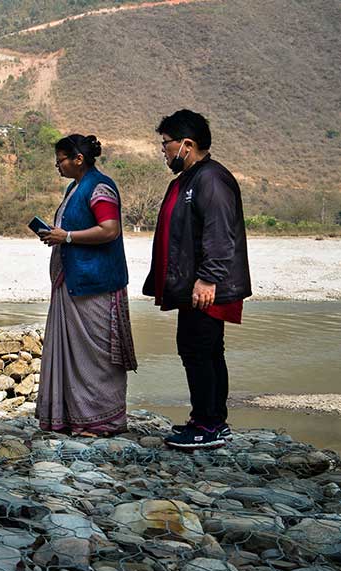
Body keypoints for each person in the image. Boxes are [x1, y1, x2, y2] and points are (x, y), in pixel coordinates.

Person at [146, 110, 251, 450]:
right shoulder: (188, 179)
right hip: (192, 285)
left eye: (166, 144)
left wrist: (208, 279)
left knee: (200, 350)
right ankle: (209, 419)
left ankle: (208, 425)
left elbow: (220, 234)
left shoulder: (211, 179)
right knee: (201, 349)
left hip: (205, 286)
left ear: (187, 145)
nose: (163, 151)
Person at [36, 134, 137, 437]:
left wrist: (66, 237)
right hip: (75, 281)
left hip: (95, 283)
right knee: (78, 354)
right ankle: (77, 417)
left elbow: (109, 229)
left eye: (61, 160)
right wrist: (59, 236)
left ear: (78, 159)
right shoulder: (75, 188)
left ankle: (105, 420)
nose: (57, 166)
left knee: (97, 356)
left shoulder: (99, 187)